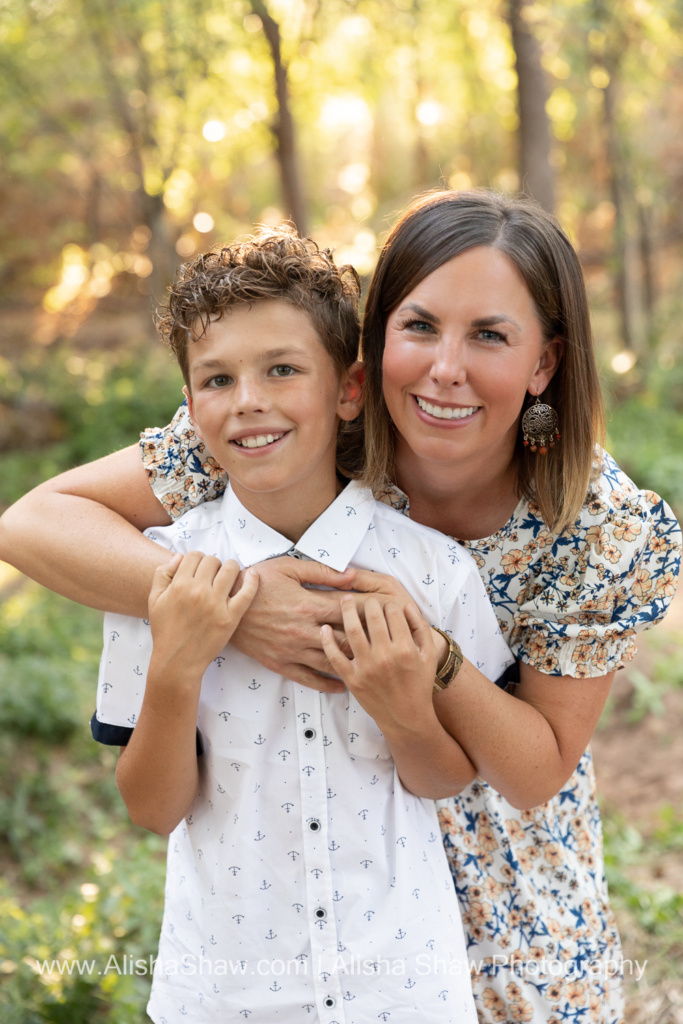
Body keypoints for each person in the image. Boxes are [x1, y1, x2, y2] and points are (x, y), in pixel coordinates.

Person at [0, 190, 680, 1024]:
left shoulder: (596, 526)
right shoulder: (292, 431)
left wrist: (427, 663)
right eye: (420, 326)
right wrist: (241, 608)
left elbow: (535, 769)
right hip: (280, 917)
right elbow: (33, 522)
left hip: (509, 905)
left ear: (544, 362)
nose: (444, 369)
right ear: (373, 343)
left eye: (491, 336)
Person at [90, 227, 513, 1023]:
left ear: (348, 389)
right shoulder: (162, 575)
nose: (248, 400)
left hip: (403, 988)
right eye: (216, 379)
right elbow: (152, 810)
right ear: (189, 406)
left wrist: (404, 709)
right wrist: (177, 670)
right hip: (224, 994)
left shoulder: (431, 572)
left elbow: (445, 780)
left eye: (281, 369)